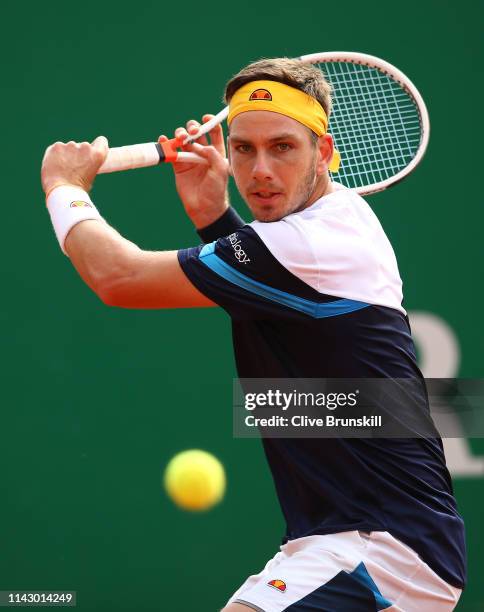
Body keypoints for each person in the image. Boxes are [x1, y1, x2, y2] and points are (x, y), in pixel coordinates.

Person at [41, 58, 466, 611]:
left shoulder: (311, 243)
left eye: (283, 147)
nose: (260, 169)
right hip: (360, 542)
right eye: (243, 148)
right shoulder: (330, 225)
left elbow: (118, 278)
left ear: (326, 153)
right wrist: (215, 216)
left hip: (381, 547)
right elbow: (278, 297)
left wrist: (64, 187)